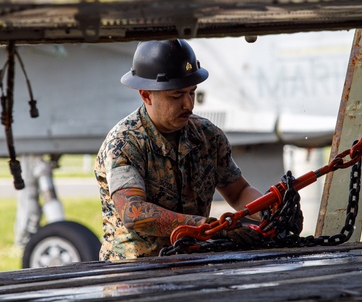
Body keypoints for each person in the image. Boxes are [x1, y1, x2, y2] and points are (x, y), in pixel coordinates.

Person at [95, 39, 264, 260]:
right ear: (146, 95)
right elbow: (133, 212)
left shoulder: (207, 136)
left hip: (191, 263)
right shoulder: (125, 143)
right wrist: (205, 225)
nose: (188, 104)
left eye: (192, 93)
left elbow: (238, 191)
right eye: (176, 96)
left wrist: (269, 209)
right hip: (134, 274)